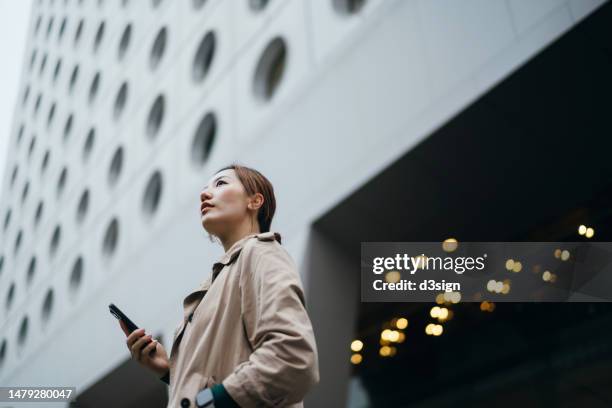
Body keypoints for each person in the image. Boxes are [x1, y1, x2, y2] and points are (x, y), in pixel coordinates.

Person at [119, 163, 320, 407]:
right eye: (205, 188)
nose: (204, 194)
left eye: (221, 183)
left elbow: (292, 358)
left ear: (255, 201)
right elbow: (218, 378)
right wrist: (169, 370)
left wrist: (212, 402)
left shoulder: (261, 253)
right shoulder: (218, 281)